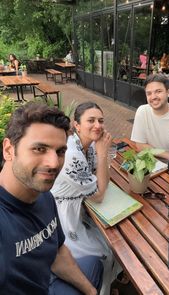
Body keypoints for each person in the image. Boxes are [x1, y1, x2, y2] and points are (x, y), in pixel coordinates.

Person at [0, 102, 103, 295]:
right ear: (8, 150)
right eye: (39, 149)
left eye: (60, 151)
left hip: (46, 283)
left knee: (95, 263)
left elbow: (58, 252)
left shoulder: (45, 197)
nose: (54, 163)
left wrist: (91, 292)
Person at [51, 102, 119, 295]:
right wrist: (103, 151)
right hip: (64, 215)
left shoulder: (86, 146)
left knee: (113, 243)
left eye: (101, 120)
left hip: (82, 206)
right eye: (91, 120)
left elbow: (100, 176)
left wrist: (100, 154)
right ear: (76, 125)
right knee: (105, 251)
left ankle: (109, 283)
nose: (98, 125)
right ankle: (103, 290)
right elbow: (98, 194)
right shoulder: (72, 153)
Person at [131, 73, 169, 160]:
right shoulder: (142, 111)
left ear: (168, 92)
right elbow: (140, 145)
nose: (153, 97)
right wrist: (168, 155)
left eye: (158, 91)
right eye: (149, 93)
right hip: (152, 159)